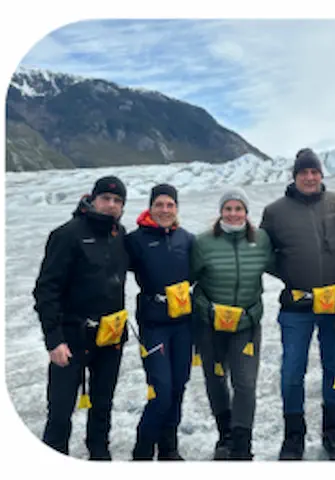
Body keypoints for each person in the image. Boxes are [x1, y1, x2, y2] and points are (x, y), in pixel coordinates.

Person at [258, 149, 335, 460]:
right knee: (291, 371)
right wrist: (289, 271)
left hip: (334, 305)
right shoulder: (275, 212)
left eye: (314, 172)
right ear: (295, 176)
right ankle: (293, 434)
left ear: (321, 174)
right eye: (304, 173)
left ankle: (333, 432)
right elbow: (264, 252)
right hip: (296, 307)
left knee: (334, 368)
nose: (310, 178)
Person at [34, 176, 130, 460]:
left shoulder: (120, 235)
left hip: (110, 336)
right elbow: (46, 290)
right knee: (61, 409)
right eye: (106, 199)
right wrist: (54, 339)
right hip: (72, 337)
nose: (111, 205)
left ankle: (99, 454)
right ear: (92, 198)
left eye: (117, 201)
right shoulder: (67, 235)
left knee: (103, 404)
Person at [192, 189, 274, 460]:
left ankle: (242, 443)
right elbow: (189, 281)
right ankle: (224, 434)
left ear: (246, 212)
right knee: (216, 380)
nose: (233, 214)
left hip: (246, 325)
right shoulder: (204, 243)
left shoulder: (261, 240)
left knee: (245, 383)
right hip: (211, 327)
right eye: (228, 208)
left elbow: (281, 265)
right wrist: (207, 310)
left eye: (238, 208)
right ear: (221, 212)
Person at [122, 184, 194, 461]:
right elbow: (109, 268)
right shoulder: (136, 240)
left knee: (178, 387)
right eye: (160, 204)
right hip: (153, 325)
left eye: (170, 205)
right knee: (161, 390)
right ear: (150, 207)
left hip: (183, 325)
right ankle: (142, 453)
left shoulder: (186, 239)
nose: (165, 210)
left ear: (176, 208)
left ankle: (168, 449)